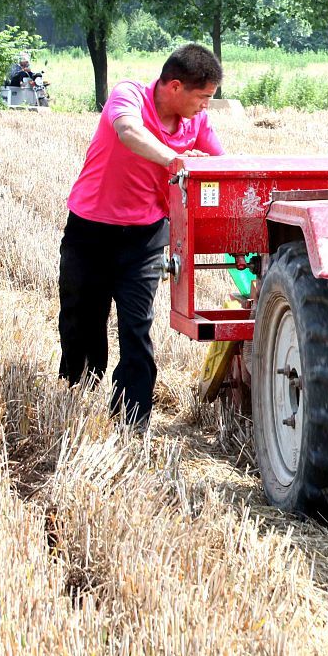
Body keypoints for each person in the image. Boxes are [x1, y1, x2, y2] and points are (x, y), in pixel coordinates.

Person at [58, 43, 225, 430]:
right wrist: (174, 160)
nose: (205, 107)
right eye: (202, 98)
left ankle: (132, 421)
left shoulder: (196, 123)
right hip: (90, 230)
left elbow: (222, 161)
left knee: (136, 327)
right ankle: (77, 390)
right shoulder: (129, 95)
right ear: (175, 87)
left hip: (146, 237)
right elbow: (128, 132)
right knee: (82, 319)